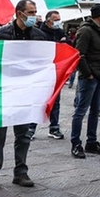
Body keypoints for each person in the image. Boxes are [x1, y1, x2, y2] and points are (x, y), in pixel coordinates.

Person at [0, 0, 48, 191]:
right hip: (3, 92)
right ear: (19, 13)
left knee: (23, 135)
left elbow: (43, 62)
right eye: (30, 12)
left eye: (35, 11)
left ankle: (21, 172)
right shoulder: (1, 34)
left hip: (25, 93)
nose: (34, 15)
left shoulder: (39, 36)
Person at [72, 3, 100, 159]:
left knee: (95, 111)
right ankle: (76, 144)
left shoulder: (99, 31)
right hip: (90, 77)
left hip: (99, 76)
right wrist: (88, 74)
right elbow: (79, 54)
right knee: (80, 111)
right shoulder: (86, 30)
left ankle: (91, 142)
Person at [39, 9, 67, 139]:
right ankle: (31, 128)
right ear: (48, 20)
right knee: (38, 100)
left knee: (56, 101)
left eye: (59, 19)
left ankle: (54, 128)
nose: (58, 22)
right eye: (56, 20)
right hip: (42, 72)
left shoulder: (60, 32)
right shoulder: (39, 33)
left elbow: (68, 47)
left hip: (57, 71)